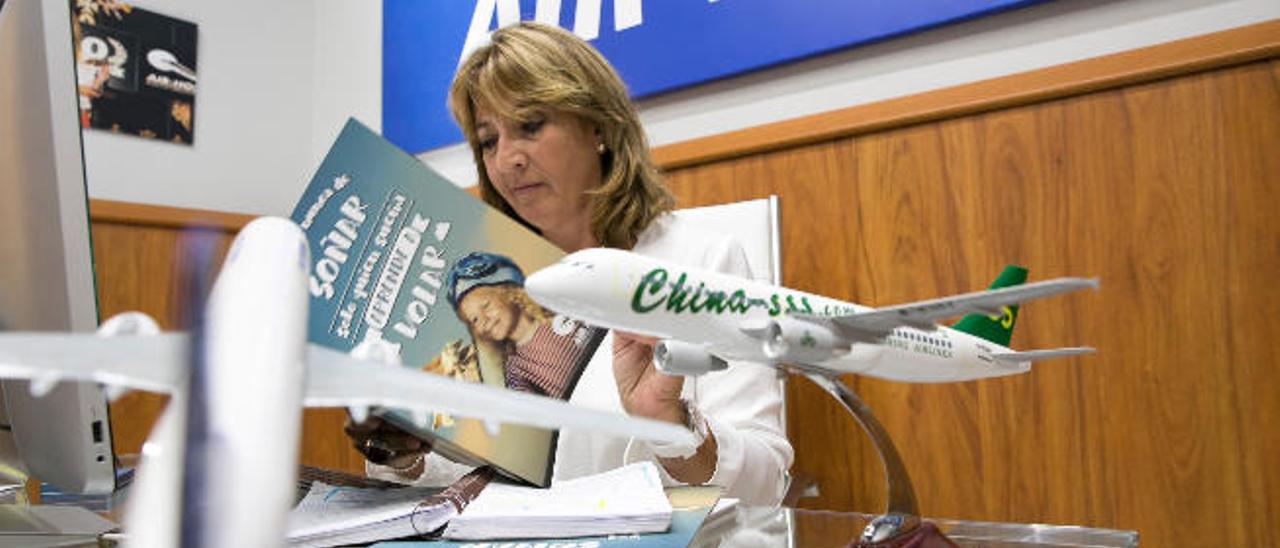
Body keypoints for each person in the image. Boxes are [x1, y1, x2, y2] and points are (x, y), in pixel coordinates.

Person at [346, 21, 792, 505]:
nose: (507, 160)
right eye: (488, 140)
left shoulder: (704, 260)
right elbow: (456, 474)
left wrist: (671, 428)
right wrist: (401, 449)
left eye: (530, 126)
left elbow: (767, 483)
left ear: (598, 126)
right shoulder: (482, 283)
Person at [446, 251, 598, 399]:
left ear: (508, 290)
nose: (484, 320)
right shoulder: (517, 371)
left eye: (486, 306)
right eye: (474, 320)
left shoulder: (559, 304)